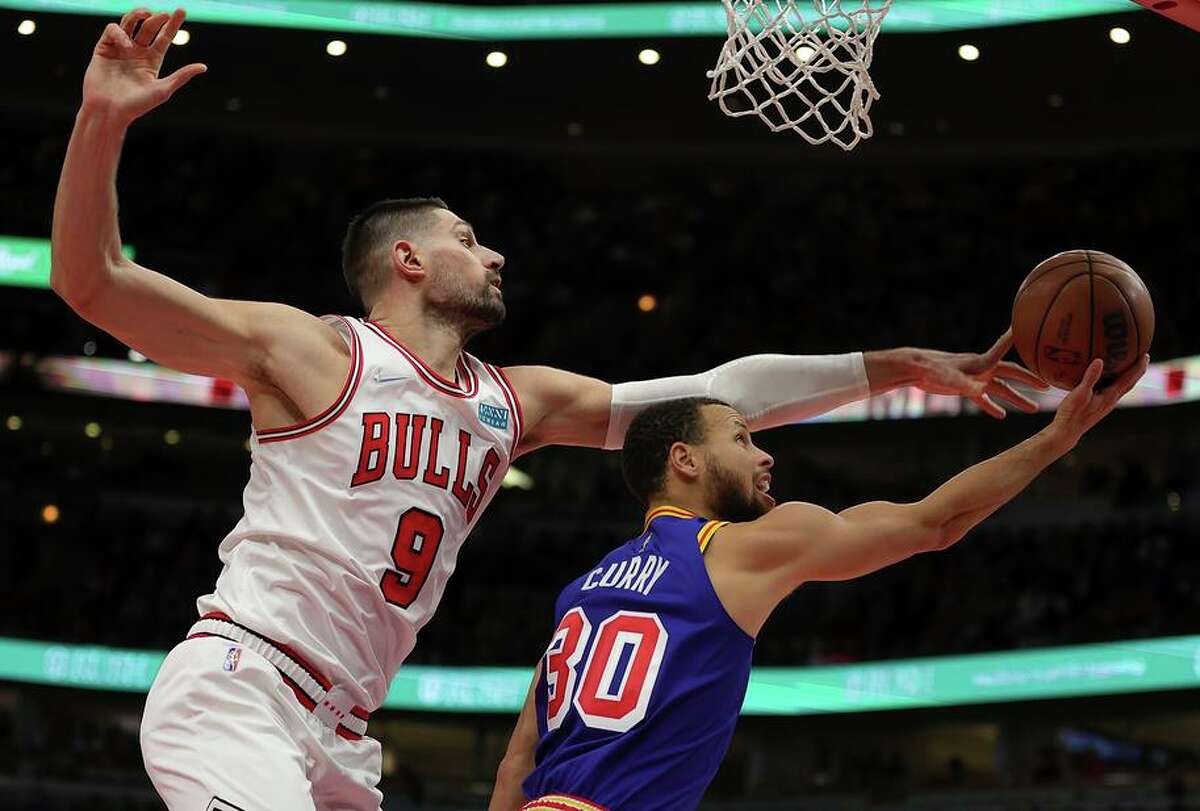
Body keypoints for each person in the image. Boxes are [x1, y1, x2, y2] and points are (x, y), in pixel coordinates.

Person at [52, 8, 1048, 810]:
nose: (494, 255)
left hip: (345, 733)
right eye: (469, 238)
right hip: (244, 682)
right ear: (408, 260)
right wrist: (101, 120)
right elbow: (91, 282)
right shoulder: (315, 352)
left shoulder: (512, 401)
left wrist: (892, 365)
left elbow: (717, 394)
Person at [490, 355, 1147, 811]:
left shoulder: (580, 589)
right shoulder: (738, 547)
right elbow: (934, 522)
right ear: (683, 460)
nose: (765, 453)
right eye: (743, 438)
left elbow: (517, 761)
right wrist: (1059, 438)